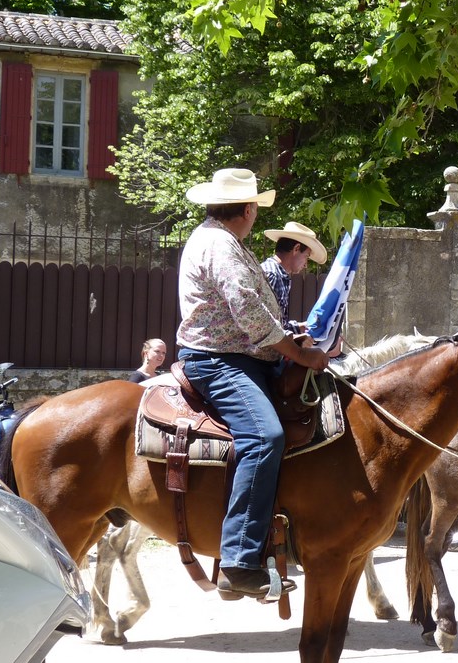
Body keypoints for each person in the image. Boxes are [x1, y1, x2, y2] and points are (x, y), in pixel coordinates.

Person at [175, 168, 330, 600]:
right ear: (247, 209)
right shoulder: (220, 245)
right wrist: (300, 353)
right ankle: (240, 562)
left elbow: (256, 314)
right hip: (218, 361)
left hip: (240, 357)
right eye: (255, 209)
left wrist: (292, 339)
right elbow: (250, 312)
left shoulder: (223, 241)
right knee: (265, 437)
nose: (255, 216)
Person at [260, 221, 328, 332]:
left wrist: (301, 327)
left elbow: (278, 324)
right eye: (306, 256)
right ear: (296, 249)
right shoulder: (272, 274)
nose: (306, 264)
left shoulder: (279, 274)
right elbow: (266, 327)